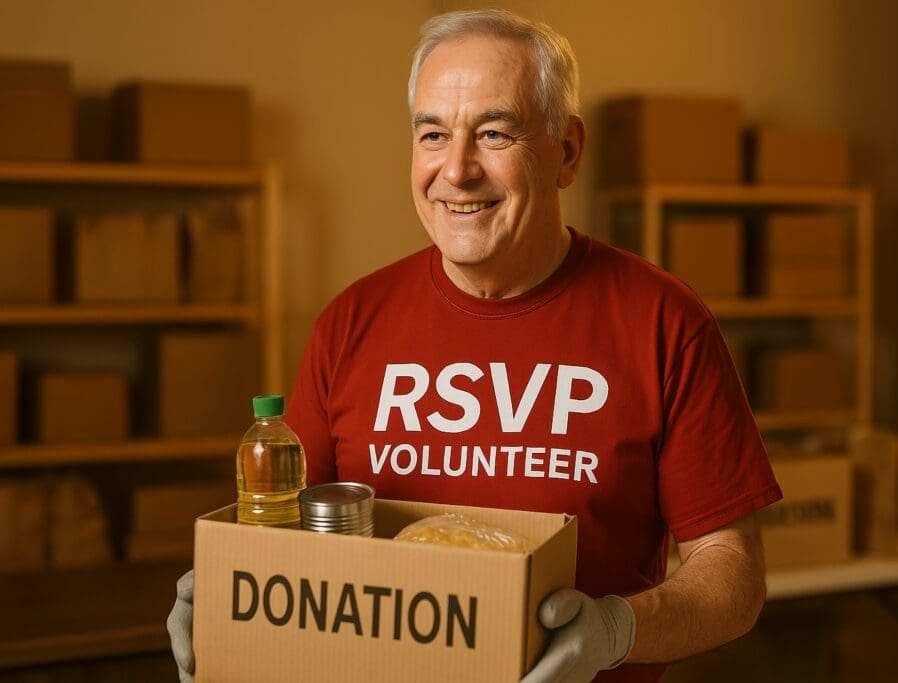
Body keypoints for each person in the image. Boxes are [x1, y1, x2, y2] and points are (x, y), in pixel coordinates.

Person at [168, 8, 782, 683]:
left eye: (494, 133)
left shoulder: (663, 321)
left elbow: (734, 572)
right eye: (433, 134)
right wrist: (230, 592)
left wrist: (617, 628)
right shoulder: (352, 321)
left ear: (567, 151)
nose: (456, 170)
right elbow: (288, 537)